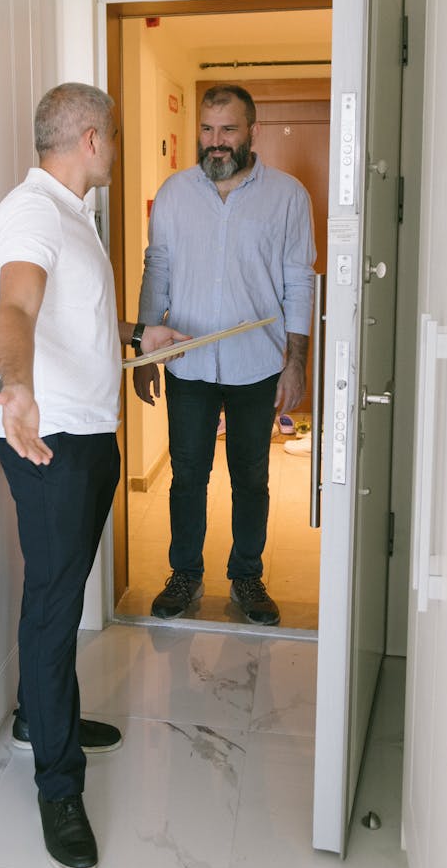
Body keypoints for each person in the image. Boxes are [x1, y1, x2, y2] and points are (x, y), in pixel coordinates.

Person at [0, 82, 187, 868]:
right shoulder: (34, 214)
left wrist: (140, 333)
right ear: (92, 139)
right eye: (115, 135)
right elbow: (17, 311)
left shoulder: (71, 216)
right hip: (55, 444)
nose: (117, 146)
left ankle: (42, 716)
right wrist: (16, 386)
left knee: (58, 598)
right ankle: (57, 785)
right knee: (53, 607)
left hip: (83, 437)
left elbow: (74, 315)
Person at [134, 84, 316, 627]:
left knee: (251, 477)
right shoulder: (173, 194)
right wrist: (145, 351)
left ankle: (247, 576)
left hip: (256, 364)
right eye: (208, 130)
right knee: (188, 475)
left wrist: (296, 358)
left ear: (251, 132)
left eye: (228, 130)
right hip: (189, 361)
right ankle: (185, 573)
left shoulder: (287, 196)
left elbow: (299, 281)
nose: (216, 142)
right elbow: (157, 271)